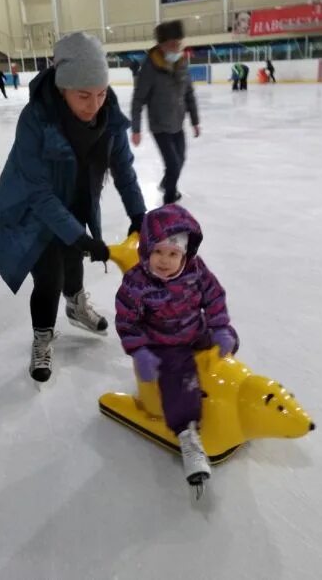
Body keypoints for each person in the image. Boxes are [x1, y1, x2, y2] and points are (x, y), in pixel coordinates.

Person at [0, 32, 146, 383]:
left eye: (101, 92)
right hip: (32, 207)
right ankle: (43, 336)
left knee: (74, 258)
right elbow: (39, 193)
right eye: (84, 96)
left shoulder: (107, 113)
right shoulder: (36, 118)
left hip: (76, 196)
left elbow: (123, 167)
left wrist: (138, 214)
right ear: (63, 89)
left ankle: (76, 304)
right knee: (49, 277)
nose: (94, 104)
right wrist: (79, 237)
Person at [115, 204, 239, 490]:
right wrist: (139, 350)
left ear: (185, 253)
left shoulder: (196, 270)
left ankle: (216, 384)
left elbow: (215, 296)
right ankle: (187, 435)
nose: (164, 260)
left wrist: (220, 327)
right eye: (158, 251)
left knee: (231, 336)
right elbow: (127, 320)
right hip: (164, 343)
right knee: (177, 374)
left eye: (173, 253)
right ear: (146, 249)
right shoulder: (136, 283)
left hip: (195, 330)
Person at [131, 20, 200, 205]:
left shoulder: (182, 63)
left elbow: (189, 93)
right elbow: (138, 99)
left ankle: (165, 183)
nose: (176, 47)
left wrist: (195, 120)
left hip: (177, 123)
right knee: (173, 164)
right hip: (160, 125)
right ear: (161, 45)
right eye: (171, 44)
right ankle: (169, 200)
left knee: (180, 160)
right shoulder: (150, 68)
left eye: (178, 43)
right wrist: (136, 129)